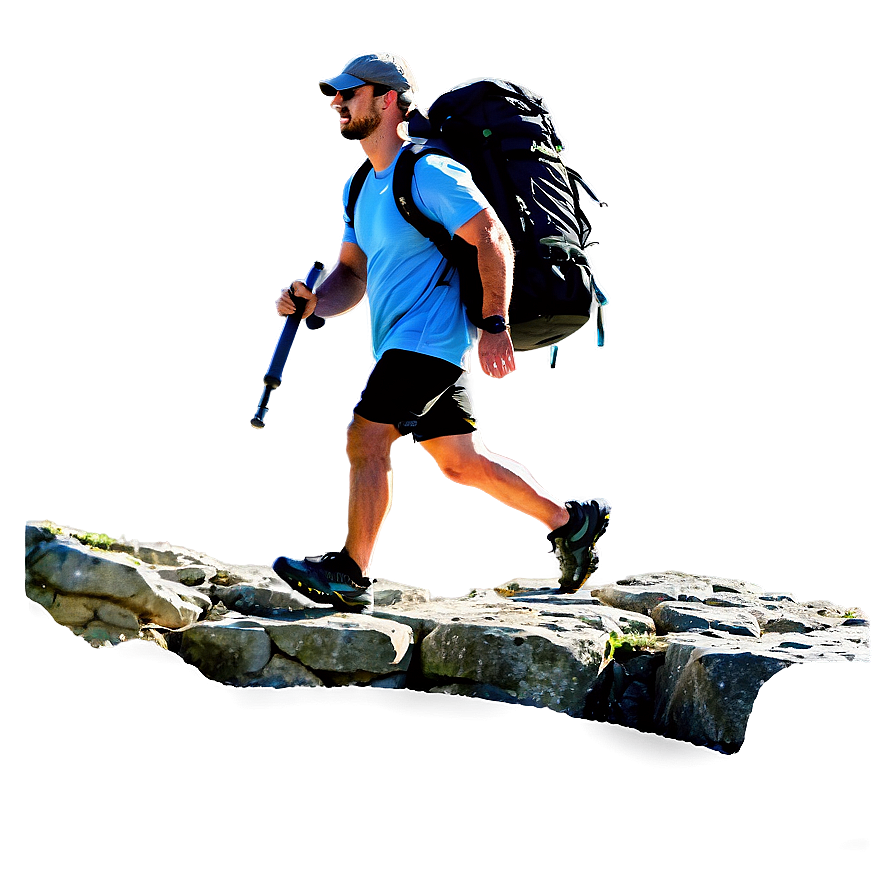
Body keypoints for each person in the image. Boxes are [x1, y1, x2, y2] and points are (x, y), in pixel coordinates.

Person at [272, 50, 611, 610]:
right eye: (336, 94)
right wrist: (313, 305)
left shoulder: (429, 169)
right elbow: (352, 276)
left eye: (349, 94)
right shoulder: (361, 186)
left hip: (426, 340)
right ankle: (570, 522)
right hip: (406, 340)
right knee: (461, 463)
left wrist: (495, 323)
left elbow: (493, 238)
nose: (338, 103)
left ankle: (352, 573)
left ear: (385, 101)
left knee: (366, 438)